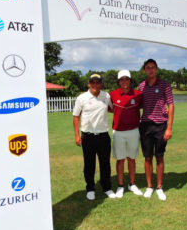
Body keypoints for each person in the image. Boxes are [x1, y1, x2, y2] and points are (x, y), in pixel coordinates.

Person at [73, 73, 116, 200]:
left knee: (105, 164)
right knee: (89, 164)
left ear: (101, 84)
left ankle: (107, 187)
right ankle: (90, 188)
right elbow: (76, 116)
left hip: (103, 136)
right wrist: (76, 135)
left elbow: (112, 109)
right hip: (87, 136)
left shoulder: (106, 96)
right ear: (88, 84)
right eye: (93, 82)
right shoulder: (82, 98)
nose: (95, 84)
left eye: (98, 82)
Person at [138, 59, 174, 201]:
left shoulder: (165, 85)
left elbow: (171, 105)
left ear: (156, 69)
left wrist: (169, 127)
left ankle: (159, 187)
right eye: (148, 68)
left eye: (153, 68)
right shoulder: (141, 86)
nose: (151, 70)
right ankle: (149, 186)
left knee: (159, 157)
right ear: (144, 70)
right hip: (145, 125)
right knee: (147, 157)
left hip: (160, 126)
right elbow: (139, 105)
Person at [109, 70, 143, 198]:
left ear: (130, 80)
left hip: (134, 131)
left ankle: (132, 184)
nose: (124, 81)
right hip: (118, 132)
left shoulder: (138, 95)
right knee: (120, 159)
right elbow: (107, 108)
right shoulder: (112, 94)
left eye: (127, 79)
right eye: (122, 79)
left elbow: (147, 107)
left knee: (131, 159)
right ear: (118, 82)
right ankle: (120, 186)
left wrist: (164, 110)